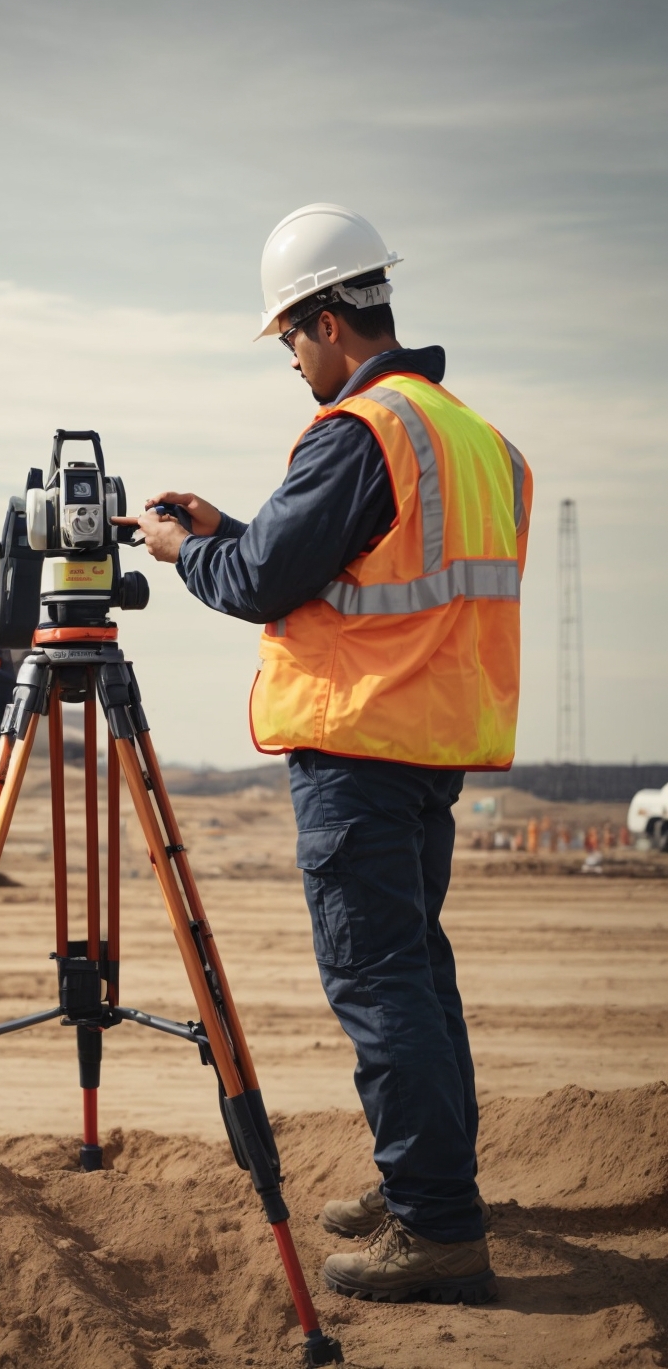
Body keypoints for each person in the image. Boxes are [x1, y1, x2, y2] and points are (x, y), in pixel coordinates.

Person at [137, 203, 531, 1305]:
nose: (293, 364)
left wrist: (183, 551)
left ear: (324, 321)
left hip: (360, 743)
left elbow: (263, 580)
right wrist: (230, 528)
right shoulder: (469, 434)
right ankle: (429, 1189)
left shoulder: (363, 429)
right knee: (418, 976)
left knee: (382, 984)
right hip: (432, 740)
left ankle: (440, 1229)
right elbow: (326, 554)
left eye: (291, 343)